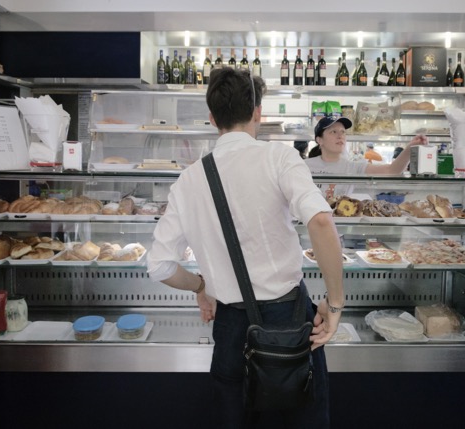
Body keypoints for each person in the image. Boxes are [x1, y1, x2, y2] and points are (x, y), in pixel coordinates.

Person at [147, 67, 344, 428]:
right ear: (257, 112)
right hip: (290, 324)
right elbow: (320, 221)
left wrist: (201, 286)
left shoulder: (189, 179)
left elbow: (159, 266)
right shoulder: (280, 158)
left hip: (231, 327)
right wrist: (334, 303)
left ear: (211, 118)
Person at [305, 116, 428, 200]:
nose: (340, 136)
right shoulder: (304, 165)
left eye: (343, 132)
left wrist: (410, 149)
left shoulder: (352, 166)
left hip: (337, 231)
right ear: (319, 140)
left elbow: (392, 171)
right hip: (305, 230)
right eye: (333, 132)